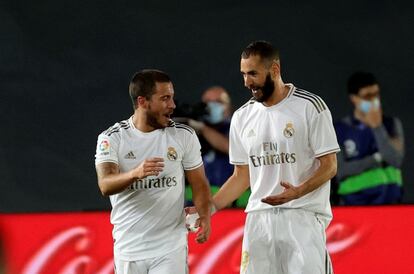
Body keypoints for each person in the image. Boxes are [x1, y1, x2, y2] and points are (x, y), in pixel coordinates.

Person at [188, 40, 340, 273]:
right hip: (259, 221)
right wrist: (209, 208)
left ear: (275, 70)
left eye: (253, 74)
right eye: (243, 74)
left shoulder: (310, 106)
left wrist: (298, 191)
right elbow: (242, 176)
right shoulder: (242, 116)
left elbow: (329, 165)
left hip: (303, 217)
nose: (247, 82)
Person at [94, 69, 212, 274]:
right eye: (165, 98)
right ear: (142, 101)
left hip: (170, 247)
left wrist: (204, 214)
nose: (172, 105)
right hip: (129, 248)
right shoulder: (112, 138)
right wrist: (134, 174)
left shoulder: (183, 135)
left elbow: (199, 182)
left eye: (172, 97)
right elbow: (105, 185)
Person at [334, 71, 405, 205]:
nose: (373, 100)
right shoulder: (339, 130)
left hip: (390, 205)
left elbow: (395, 160)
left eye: (376, 94)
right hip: (354, 205)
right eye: (367, 96)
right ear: (354, 98)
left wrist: (377, 127)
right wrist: (375, 159)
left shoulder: (391, 124)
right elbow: (340, 171)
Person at [186, 86, 250, 206]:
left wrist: (203, 129)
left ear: (229, 106)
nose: (212, 106)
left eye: (219, 102)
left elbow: (229, 147)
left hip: (233, 203)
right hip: (196, 201)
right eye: (207, 102)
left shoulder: (240, 127)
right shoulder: (192, 131)